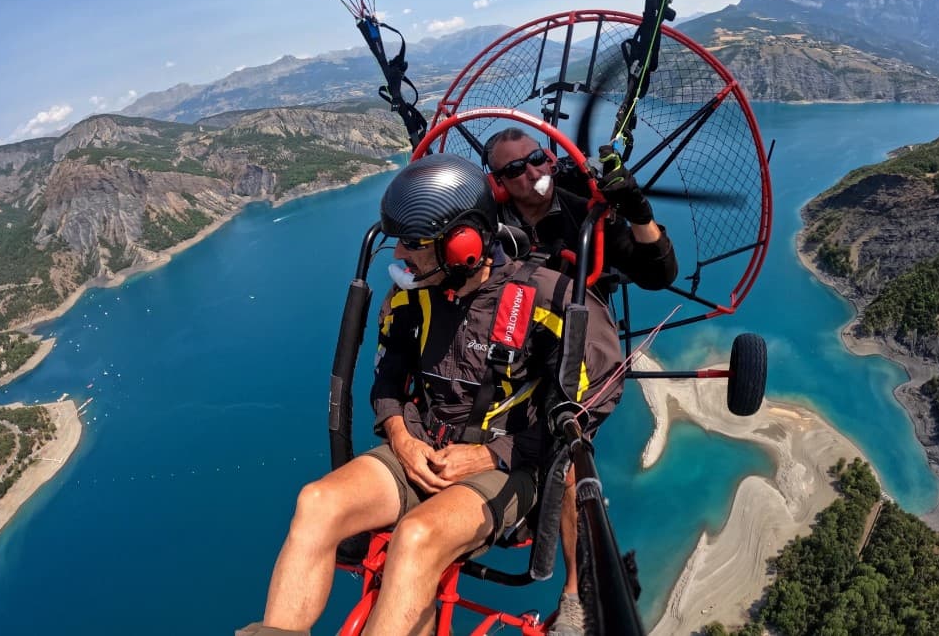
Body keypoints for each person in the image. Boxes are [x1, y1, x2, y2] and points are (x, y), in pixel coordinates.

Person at [251, 153, 625, 636]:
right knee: (317, 502)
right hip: (420, 447)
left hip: (505, 467)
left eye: (412, 245)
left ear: (463, 244)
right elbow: (387, 384)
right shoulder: (411, 300)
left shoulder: (546, 302)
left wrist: (489, 456)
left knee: (418, 537)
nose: (399, 258)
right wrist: (402, 440)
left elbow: (583, 412)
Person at [483, 127, 678, 636]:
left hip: (569, 352)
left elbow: (659, 272)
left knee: (566, 458)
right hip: (499, 349)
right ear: (498, 184)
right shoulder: (485, 224)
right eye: (513, 170)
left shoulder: (581, 213)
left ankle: (574, 596)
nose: (532, 172)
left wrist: (636, 211)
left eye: (537, 158)